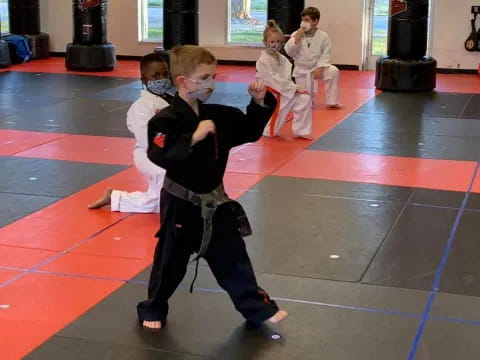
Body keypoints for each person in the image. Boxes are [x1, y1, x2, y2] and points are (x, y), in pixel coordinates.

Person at [137, 45, 288, 330]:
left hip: (215, 202)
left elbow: (248, 130)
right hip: (180, 204)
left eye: (213, 77)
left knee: (232, 254)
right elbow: (158, 153)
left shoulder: (219, 115)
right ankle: (153, 307)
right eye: (204, 78)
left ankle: (256, 308)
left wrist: (258, 104)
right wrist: (193, 137)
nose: (211, 84)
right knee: (170, 262)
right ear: (183, 81)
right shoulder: (165, 120)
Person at [88, 52, 172, 213]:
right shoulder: (142, 106)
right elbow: (145, 137)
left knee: (158, 201)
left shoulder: (171, 99)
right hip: (149, 154)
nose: (161, 79)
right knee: (166, 181)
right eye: (155, 76)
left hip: (169, 151)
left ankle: (115, 197)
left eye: (165, 74)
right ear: (144, 81)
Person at [256, 19, 313, 139]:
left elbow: (285, 79)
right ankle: (267, 129)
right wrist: (295, 88)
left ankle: (301, 130)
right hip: (269, 93)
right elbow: (273, 81)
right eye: (271, 41)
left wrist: (293, 88)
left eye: (278, 41)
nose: (275, 44)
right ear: (264, 42)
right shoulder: (263, 60)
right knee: (271, 133)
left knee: (305, 99)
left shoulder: (283, 59)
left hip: (283, 90)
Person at [284, 6, 341, 108]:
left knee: (333, 71)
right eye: (302, 20)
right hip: (302, 70)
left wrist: (320, 66)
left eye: (307, 20)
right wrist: (296, 39)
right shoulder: (296, 34)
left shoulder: (323, 36)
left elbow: (326, 53)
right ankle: (308, 100)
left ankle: (332, 102)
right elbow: (289, 52)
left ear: (315, 21)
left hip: (316, 68)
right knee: (307, 103)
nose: (303, 22)